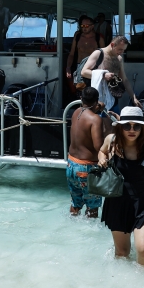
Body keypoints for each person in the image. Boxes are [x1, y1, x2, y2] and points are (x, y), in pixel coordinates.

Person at [97, 106, 144, 267]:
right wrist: (102, 159)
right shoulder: (111, 141)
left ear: (142, 128)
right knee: (122, 253)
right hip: (117, 202)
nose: (132, 130)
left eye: (136, 126)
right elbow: (101, 151)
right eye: (127, 125)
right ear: (120, 126)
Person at [66, 87, 105, 218]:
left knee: (75, 204)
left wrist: (96, 109)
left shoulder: (76, 112)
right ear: (97, 100)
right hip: (87, 168)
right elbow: (98, 146)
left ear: (81, 98)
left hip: (71, 164)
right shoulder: (95, 119)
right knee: (92, 208)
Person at [80, 36, 142, 113]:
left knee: (114, 123)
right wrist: (103, 75)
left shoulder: (119, 59)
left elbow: (124, 80)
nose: (122, 52)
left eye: (123, 50)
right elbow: (84, 72)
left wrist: (133, 97)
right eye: (120, 49)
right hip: (97, 99)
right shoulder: (98, 53)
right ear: (112, 45)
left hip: (113, 98)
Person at [65, 15, 106, 83]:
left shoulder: (99, 39)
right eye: (82, 26)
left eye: (86, 26)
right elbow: (71, 54)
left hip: (93, 69)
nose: (84, 28)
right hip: (79, 67)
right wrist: (68, 68)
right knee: (80, 90)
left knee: (92, 91)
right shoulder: (77, 37)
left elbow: (104, 56)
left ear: (92, 26)